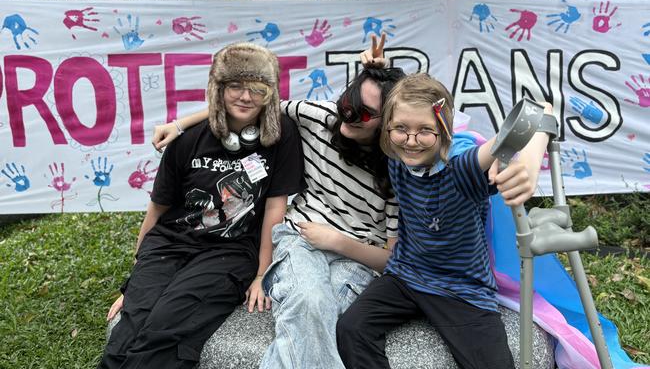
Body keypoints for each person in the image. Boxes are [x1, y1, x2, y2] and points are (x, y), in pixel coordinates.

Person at [152, 36, 475, 369]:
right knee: (311, 301)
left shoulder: (396, 169)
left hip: (356, 257)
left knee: (312, 319)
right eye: (349, 102)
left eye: (366, 114)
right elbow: (249, 105)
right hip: (300, 239)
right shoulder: (318, 117)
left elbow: (389, 261)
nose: (349, 115)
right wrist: (179, 124)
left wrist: (338, 242)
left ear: (389, 122)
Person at [99, 42, 305, 369]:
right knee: (128, 331)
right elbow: (157, 211)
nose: (246, 96)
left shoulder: (281, 134)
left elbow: (274, 210)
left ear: (270, 92)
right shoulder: (187, 139)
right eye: (235, 86)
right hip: (170, 244)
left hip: (230, 252)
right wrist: (135, 285)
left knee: (164, 327)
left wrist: (262, 274)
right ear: (217, 88)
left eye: (257, 88)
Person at [336, 73, 552, 369]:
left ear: (444, 129)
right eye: (401, 128)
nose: (411, 141)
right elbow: (363, 110)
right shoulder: (395, 154)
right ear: (387, 128)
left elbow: (540, 110)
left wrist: (526, 163)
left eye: (425, 130)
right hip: (406, 276)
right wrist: (374, 68)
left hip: (461, 289)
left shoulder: (462, 168)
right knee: (352, 328)